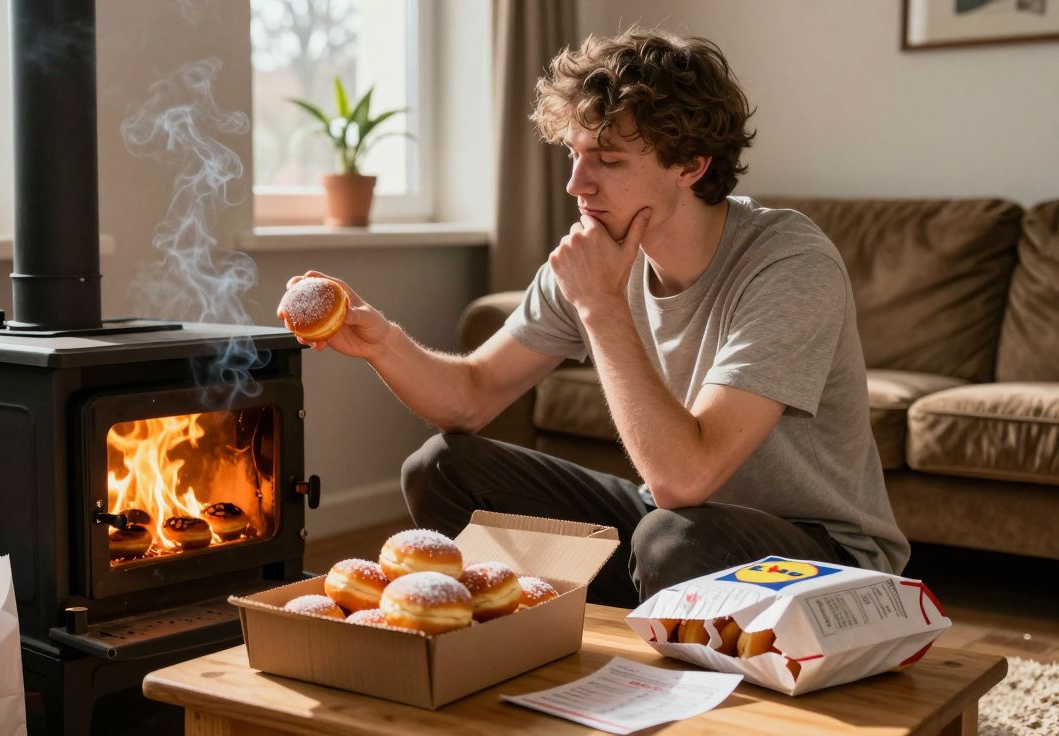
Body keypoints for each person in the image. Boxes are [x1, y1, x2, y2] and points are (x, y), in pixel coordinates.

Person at [277, 27, 908, 608]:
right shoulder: (594, 252)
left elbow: (686, 480)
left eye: (607, 160)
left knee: (672, 539)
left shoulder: (789, 262)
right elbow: (469, 398)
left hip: (824, 556)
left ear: (691, 166)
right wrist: (380, 339)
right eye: (574, 155)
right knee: (441, 466)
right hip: (670, 522)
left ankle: (639, 627)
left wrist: (601, 306)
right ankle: (613, 623)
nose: (578, 184)